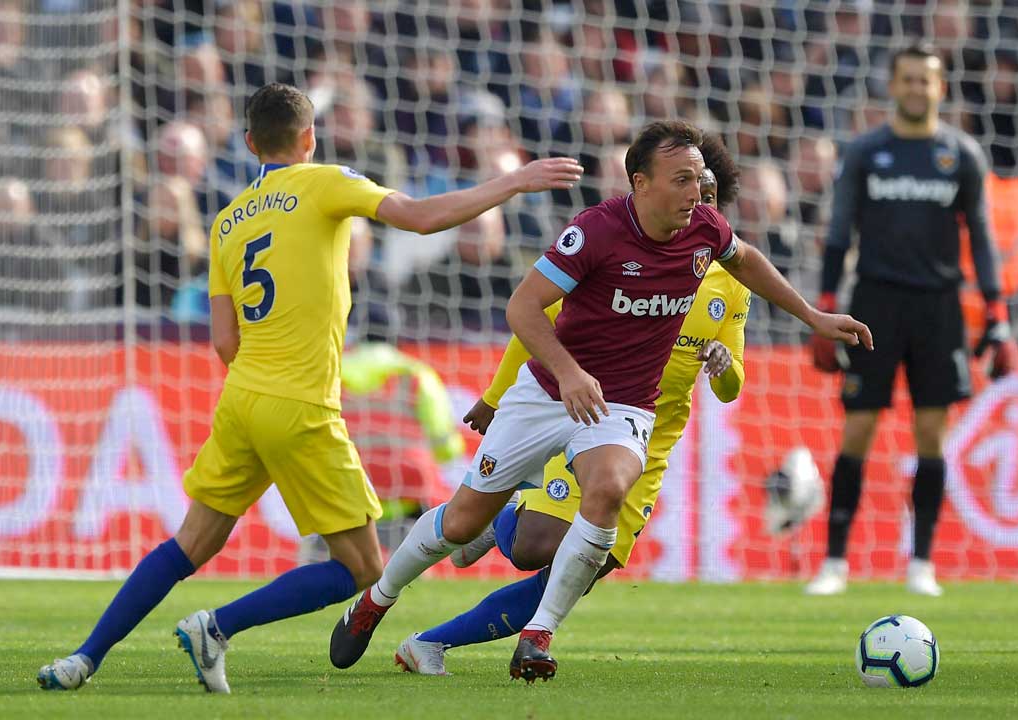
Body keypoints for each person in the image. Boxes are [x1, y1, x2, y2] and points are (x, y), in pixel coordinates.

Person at [36, 82, 582, 693]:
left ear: (249, 144)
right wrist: (511, 181)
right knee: (364, 567)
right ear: (309, 138)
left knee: (189, 543)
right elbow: (421, 218)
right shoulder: (324, 181)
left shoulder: (224, 222)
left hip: (241, 399)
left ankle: (84, 657)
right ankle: (216, 627)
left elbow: (222, 339)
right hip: (302, 404)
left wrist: (260, 386)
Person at [328, 120, 871, 683]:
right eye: (683, 181)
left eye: (701, 183)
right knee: (464, 523)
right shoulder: (595, 231)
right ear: (641, 183)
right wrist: (564, 374)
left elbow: (747, 260)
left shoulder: (707, 232)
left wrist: (814, 317)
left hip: (626, 407)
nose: (696, 194)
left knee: (609, 487)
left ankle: (538, 636)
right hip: (548, 393)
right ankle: (378, 599)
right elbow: (523, 309)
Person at [391, 138, 749, 675]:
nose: (699, 198)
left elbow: (732, 388)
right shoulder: (625, 244)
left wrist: (724, 365)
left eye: (709, 191)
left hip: (650, 442)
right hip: (587, 413)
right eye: (692, 185)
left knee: (585, 566)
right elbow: (541, 319)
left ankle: (430, 643)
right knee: (538, 545)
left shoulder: (728, 279)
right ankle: (500, 519)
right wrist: (494, 396)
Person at [805, 41, 1016, 598]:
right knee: (858, 428)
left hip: (938, 308)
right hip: (874, 302)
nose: (918, 89)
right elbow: (838, 232)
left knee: (931, 435)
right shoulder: (866, 151)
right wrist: (824, 306)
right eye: (909, 79)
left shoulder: (962, 155)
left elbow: (983, 237)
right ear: (893, 85)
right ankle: (834, 563)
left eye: (927, 80)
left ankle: (921, 561)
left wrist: (998, 312)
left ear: (940, 87)